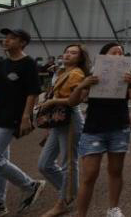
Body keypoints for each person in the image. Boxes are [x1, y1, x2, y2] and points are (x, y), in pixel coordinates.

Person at [0, 29, 45, 217]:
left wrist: (26, 117)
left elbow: (33, 92)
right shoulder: (4, 63)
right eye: (6, 37)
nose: (6, 40)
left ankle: (30, 184)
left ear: (22, 43)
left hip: (10, 118)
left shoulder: (28, 64)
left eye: (11, 38)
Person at [69, 42, 131, 217]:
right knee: (89, 174)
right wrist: (81, 85)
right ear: (103, 55)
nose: (117, 56)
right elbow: (73, 102)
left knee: (116, 170)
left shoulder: (127, 77)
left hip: (119, 127)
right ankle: (81, 214)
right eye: (113, 52)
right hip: (94, 128)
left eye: (121, 53)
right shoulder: (92, 74)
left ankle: (113, 208)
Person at [37, 44, 89, 217]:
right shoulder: (62, 72)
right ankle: (72, 192)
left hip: (70, 119)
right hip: (59, 119)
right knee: (44, 164)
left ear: (80, 58)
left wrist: (52, 102)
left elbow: (76, 101)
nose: (68, 55)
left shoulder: (77, 74)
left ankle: (63, 202)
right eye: (67, 52)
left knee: (68, 162)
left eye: (73, 53)